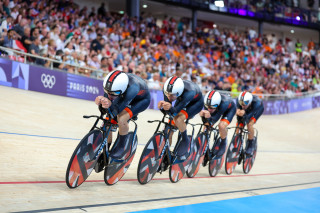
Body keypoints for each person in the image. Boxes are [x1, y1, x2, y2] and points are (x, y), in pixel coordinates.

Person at [94, 70, 151, 162]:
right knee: (108, 120)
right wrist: (102, 102)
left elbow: (116, 110)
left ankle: (121, 146)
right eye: (107, 92)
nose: (110, 96)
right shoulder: (113, 85)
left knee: (121, 118)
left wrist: (109, 105)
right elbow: (108, 106)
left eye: (114, 94)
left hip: (140, 101)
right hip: (123, 95)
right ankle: (106, 148)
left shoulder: (133, 87)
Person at [158, 76, 204, 159]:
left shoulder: (190, 92)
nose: (169, 97)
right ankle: (165, 153)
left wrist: (169, 108)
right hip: (182, 98)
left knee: (178, 119)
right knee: (169, 129)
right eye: (167, 94)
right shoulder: (167, 89)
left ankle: (185, 139)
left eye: (171, 95)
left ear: (178, 92)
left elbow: (175, 111)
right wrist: (163, 107)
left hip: (195, 104)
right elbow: (169, 111)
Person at [200, 90, 236, 157]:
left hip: (229, 109)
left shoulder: (224, 103)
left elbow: (214, 119)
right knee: (206, 127)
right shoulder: (208, 102)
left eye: (211, 108)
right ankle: (205, 144)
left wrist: (208, 118)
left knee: (221, 126)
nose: (209, 109)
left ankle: (223, 142)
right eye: (208, 107)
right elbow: (207, 122)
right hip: (217, 107)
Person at [236, 91, 264, 155]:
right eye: (241, 103)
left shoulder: (257, 103)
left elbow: (247, 117)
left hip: (257, 110)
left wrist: (244, 114)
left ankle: (250, 144)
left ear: (250, 101)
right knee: (239, 124)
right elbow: (238, 114)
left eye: (245, 103)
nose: (243, 105)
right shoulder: (239, 100)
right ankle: (237, 139)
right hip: (248, 109)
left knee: (249, 124)